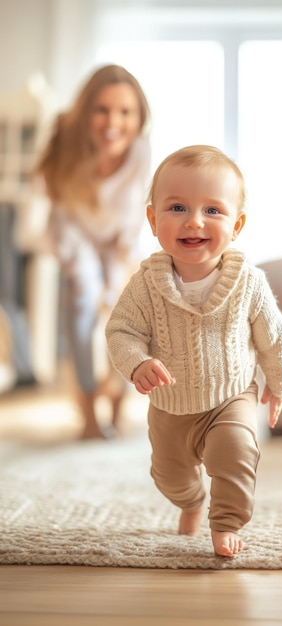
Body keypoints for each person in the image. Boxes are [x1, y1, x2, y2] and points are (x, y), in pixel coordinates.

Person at [105, 145, 282, 557]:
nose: (194, 221)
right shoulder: (145, 285)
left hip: (232, 396)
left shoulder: (249, 284)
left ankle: (225, 522)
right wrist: (137, 362)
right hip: (170, 404)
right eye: (177, 207)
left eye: (212, 210)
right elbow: (121, 330)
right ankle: (190, 501)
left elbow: (276, 335)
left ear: (237, 224)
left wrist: (279, 382)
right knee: (169, 476)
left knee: (236, 451)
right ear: (152, 219)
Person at [32, 64, 151, 439]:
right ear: (86, 112)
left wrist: (114, 278)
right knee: (82, 298)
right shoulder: (65, 142)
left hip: (118, 243)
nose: (113, 122)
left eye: (125, 112)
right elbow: (62, 218)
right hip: (75, 237)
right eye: (102, 110)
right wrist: (85, 274)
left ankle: (116, 407)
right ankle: (87, 414)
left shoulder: (140, 153)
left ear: (138, 116)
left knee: (124, 312)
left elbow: (131, 225)